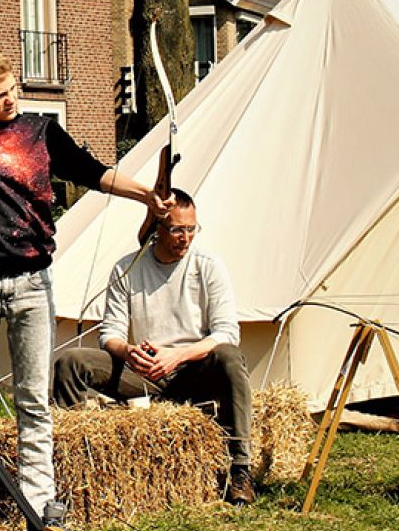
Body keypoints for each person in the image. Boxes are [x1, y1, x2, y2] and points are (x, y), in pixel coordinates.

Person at [0, 47, 167, 530]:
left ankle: (39, 505)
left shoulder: (40, 130)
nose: (11, 101)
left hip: (33, 281)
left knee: (33, 398)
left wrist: (146, 193)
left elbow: (92, 172)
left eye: (14, 89)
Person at [51, 189, 256, 505]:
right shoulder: (127, 268)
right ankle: (77, 468)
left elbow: (227, 332)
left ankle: (240, 469)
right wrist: (128, 352)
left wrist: (178, 356)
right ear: (155, 230)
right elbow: (110, 334)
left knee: (229, 357)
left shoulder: (209, 266)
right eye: (176, 229)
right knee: (71, 362)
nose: (185, 238)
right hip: (145, 371)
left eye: (191, 229)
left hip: (193, 369)